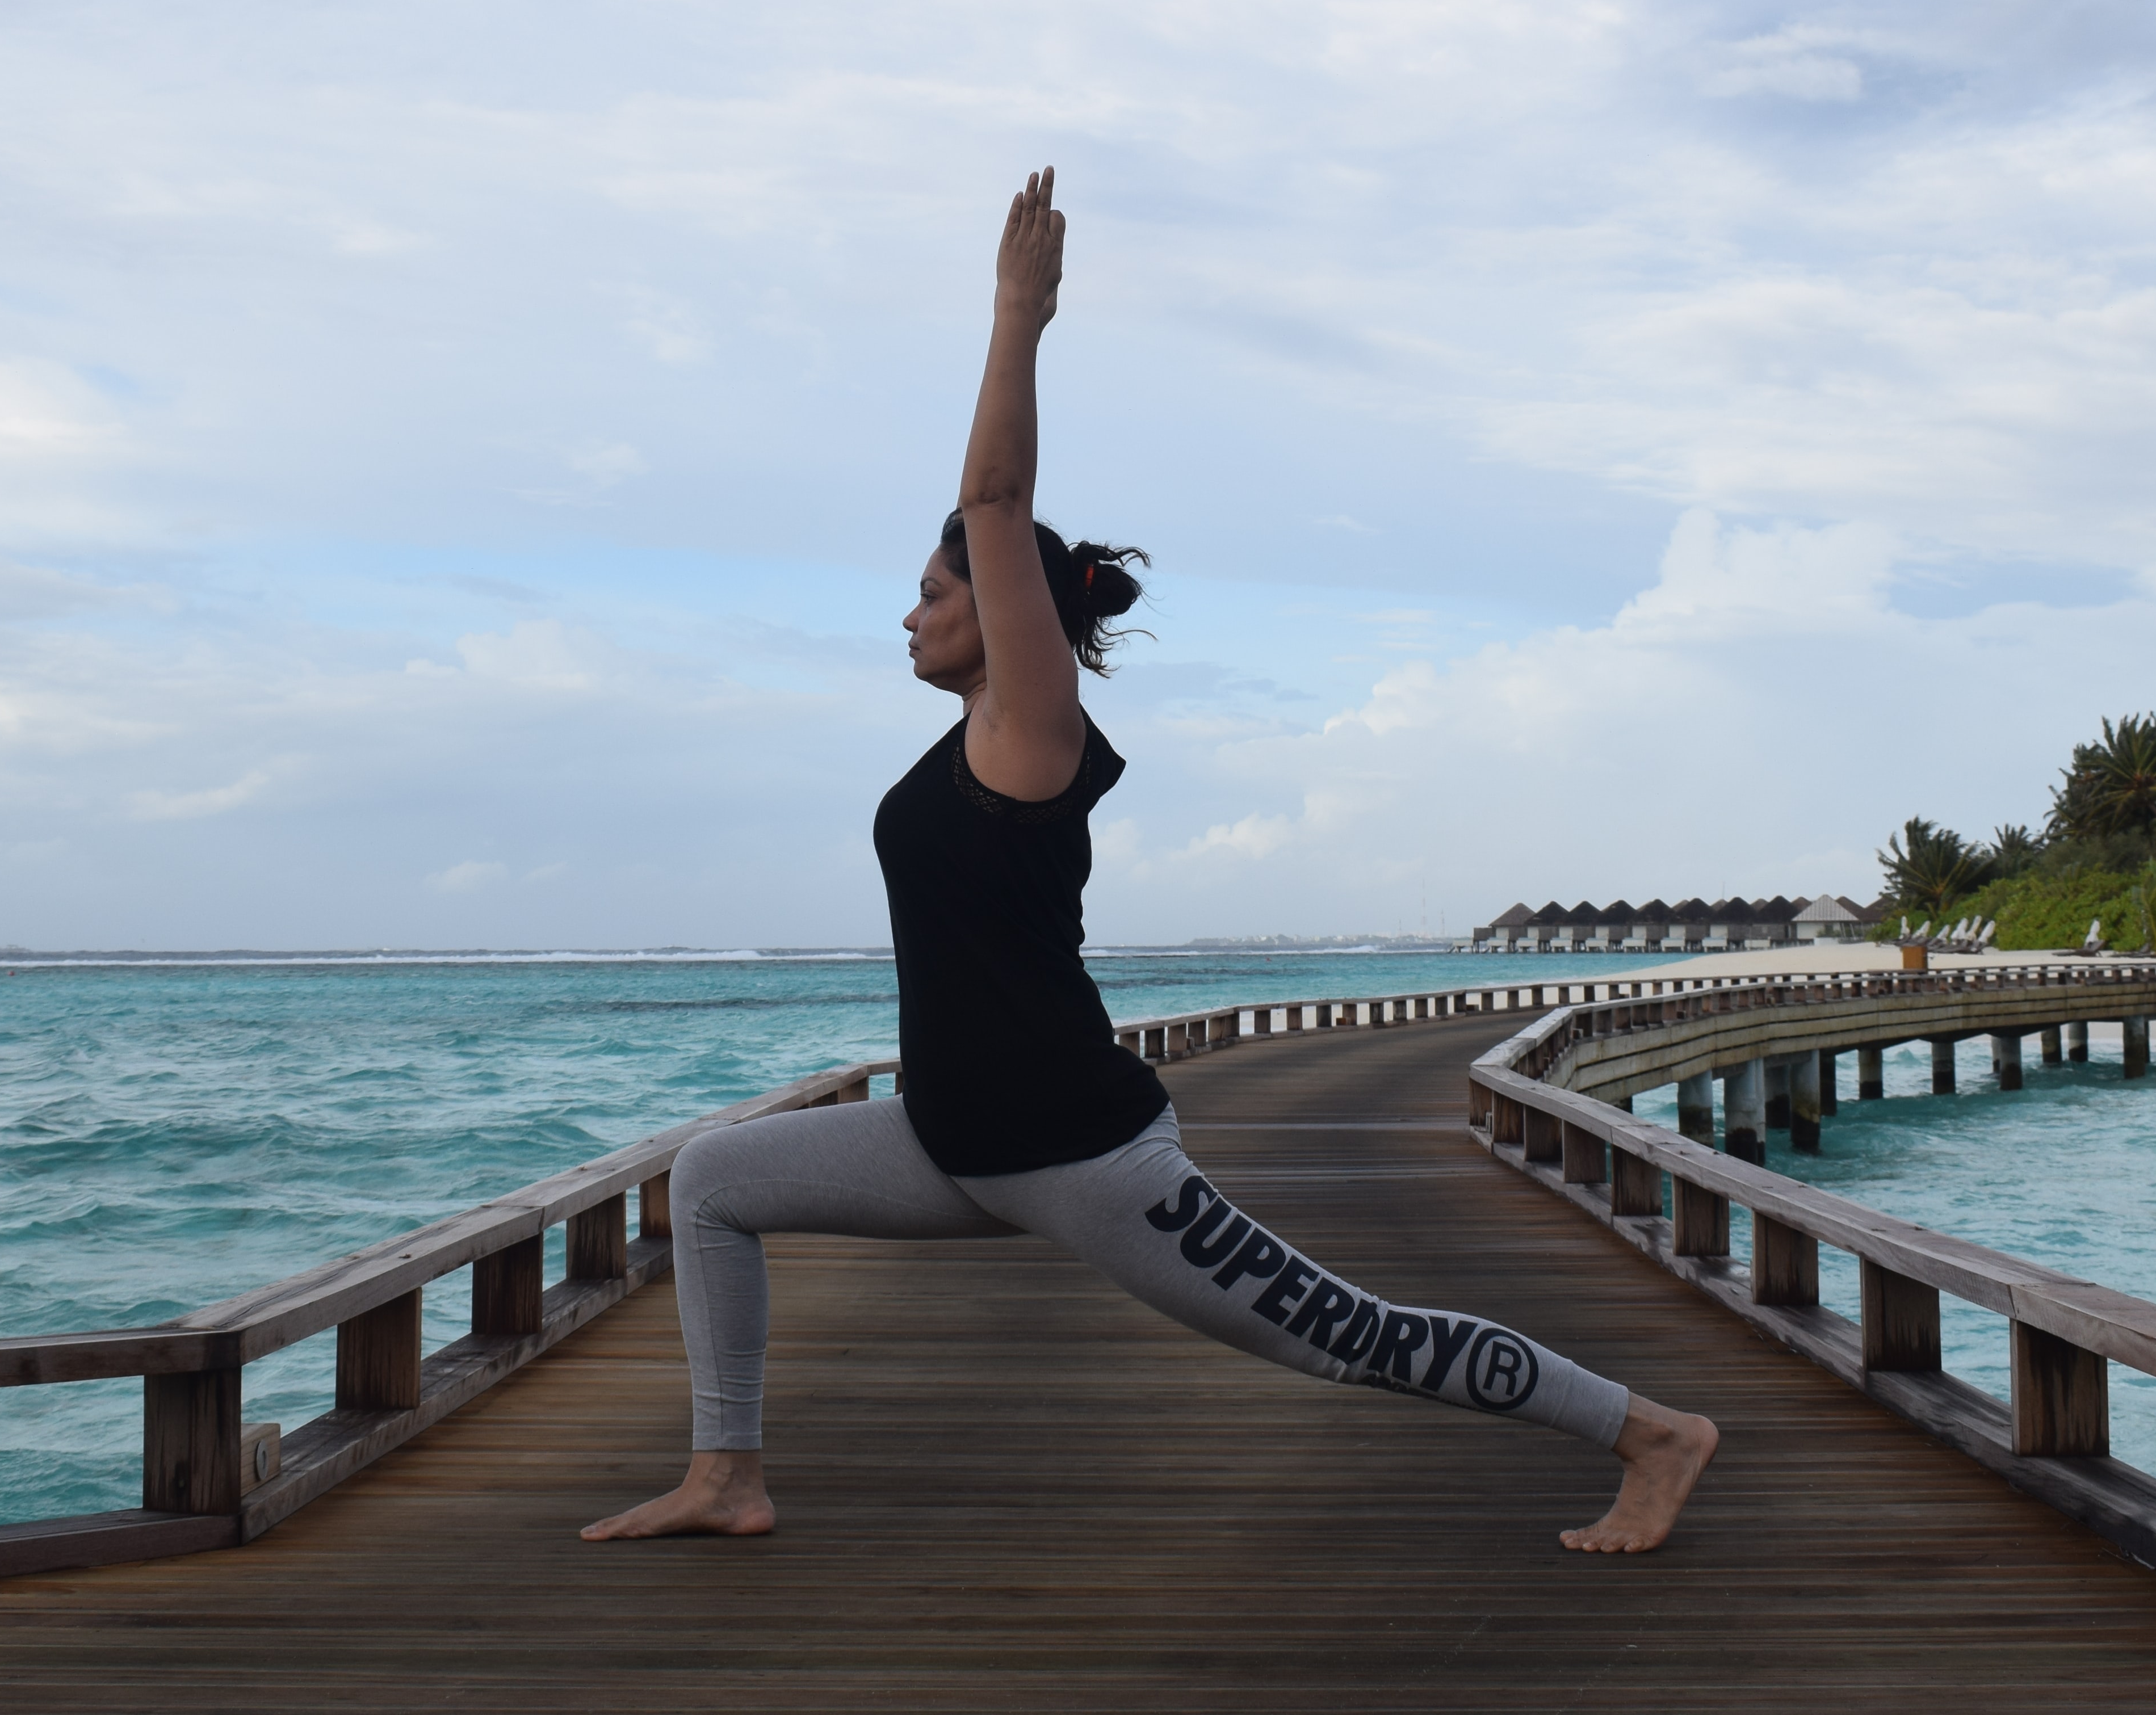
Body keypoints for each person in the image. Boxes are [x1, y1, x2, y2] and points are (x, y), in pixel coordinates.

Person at [582, 168, 1717, 1552]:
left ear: (1005, 615)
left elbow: (995, 500)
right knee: (712, 1178)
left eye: (934, 591)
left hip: (1082, 1156)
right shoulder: (960, 751)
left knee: (1347, 1334)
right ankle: (727, 1472)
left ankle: (1651, 1433)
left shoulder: (1031, 726)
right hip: (950, 1142)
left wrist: (1019, 315)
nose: (910, 610)